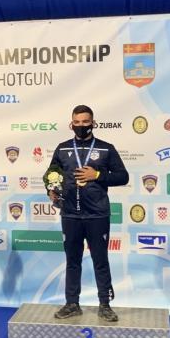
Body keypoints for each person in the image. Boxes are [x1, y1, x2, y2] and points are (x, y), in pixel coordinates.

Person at [47, 105, 128, 321]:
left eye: (85, 122)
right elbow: (52, 174)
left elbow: (123, 176)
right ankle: (72, 303)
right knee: (72, 261)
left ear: (93, 123)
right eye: (77, 122)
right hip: (70, 214)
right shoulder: (62, 149)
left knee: (100, 260)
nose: (81, 125)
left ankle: (105, 305)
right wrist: (51, 190)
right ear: (71, 124)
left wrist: (98, 175)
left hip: (97, 215)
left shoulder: (106, 148)